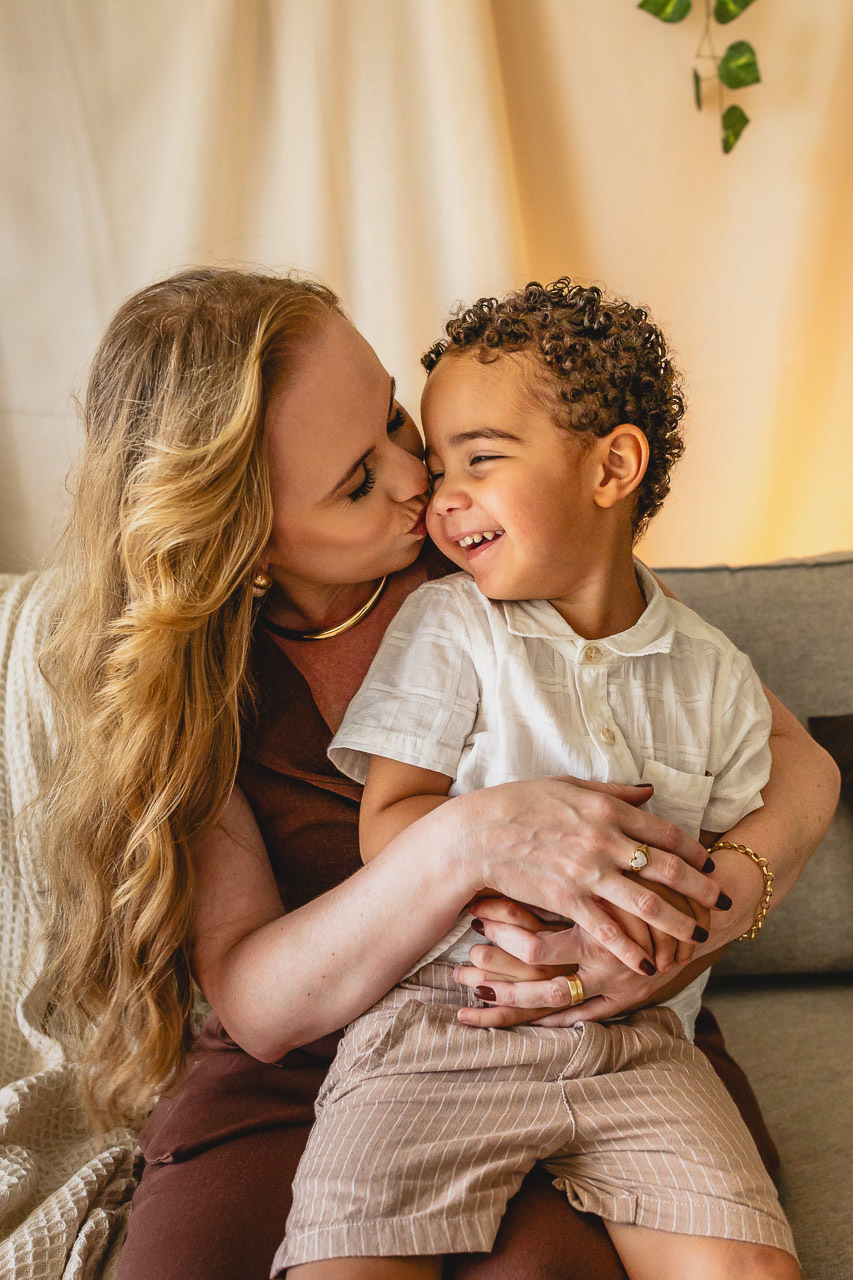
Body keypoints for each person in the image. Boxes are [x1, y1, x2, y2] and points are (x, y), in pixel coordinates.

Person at [33, 268, 837, 1280]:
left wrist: (710, 909)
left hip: (569, 1014)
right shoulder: (197, 681)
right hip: (308, 1056)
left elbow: (797, 762)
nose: (419, 482)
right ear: (244, 543)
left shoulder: (503, 554)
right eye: (356, 481)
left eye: (395, 425)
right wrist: (469, 838)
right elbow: (262, 1002)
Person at [277, 280, 800, 1280]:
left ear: (612, 465)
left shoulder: (717, 675)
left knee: (751, 1266)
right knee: (340, 1262)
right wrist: (493, 841)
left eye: (479, 459)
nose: (440, 495)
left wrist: (671, 936)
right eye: (440, 467)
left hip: (638, 1042)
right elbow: (389, 823)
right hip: (444, 1021)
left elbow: (730, 855)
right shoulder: (450, 629)